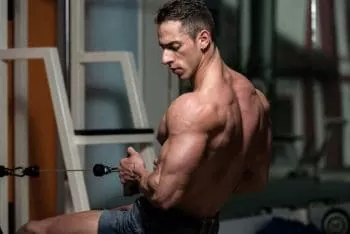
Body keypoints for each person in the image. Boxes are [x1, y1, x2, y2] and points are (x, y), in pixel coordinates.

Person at [17, 0, 271, 233]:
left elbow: (162, 195)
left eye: (174, 47)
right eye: (162, 48)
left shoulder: (192, 108)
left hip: (153, 225)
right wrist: (200, 190)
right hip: (205, 226)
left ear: (203, 39)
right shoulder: (256, 100)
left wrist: (139, 174)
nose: (165, 59)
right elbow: (255, 181)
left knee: (33, 230)